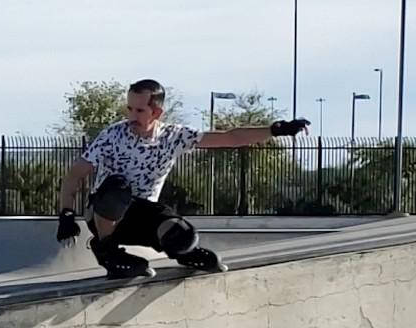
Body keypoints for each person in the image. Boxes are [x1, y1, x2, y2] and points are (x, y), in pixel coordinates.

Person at [57, 79, 308, 278]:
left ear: (156, 112)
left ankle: (183, 252)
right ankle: (107, 250)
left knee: (183, 234)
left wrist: (275, 130)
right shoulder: (112, 136)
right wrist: (66, 214)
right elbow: (75, 174)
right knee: (117, 189)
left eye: (139, 110)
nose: (131, 115)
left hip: (141, 215)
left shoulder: (174, 136)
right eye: (129, 108)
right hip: (104, 214)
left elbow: (230, 138)